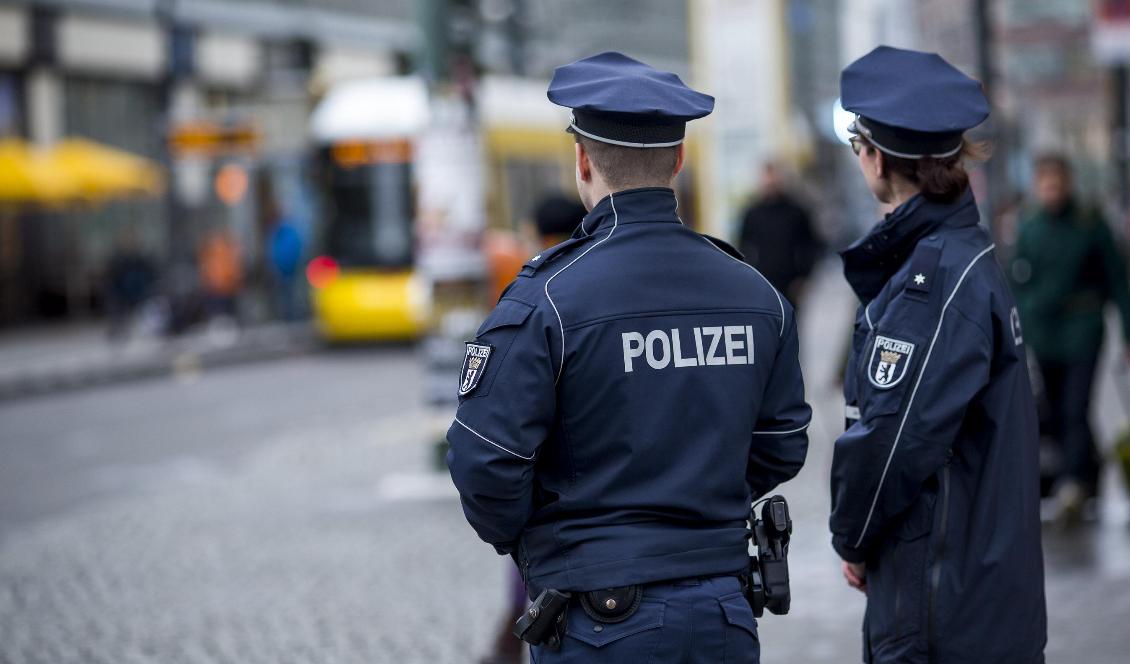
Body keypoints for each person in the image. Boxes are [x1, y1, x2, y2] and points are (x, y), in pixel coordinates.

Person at [446, 52, 810, 664]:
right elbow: (782, 441)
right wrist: (698, 497)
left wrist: (551, 539)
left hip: (599, 618)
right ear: (678, 161)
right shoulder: (755, 294)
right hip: (723, 609)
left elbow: (487, 460)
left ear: (583, 162)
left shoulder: (548, 299)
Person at [829, 46, 1046, 664]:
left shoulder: (934, 281)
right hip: (983, 594)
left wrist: (852, 535)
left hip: (942, 602)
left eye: (856, 144)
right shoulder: (966, 254)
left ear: (875, 156)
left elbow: (891, 442)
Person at [478, 192, 588, 664]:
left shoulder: (534, 295)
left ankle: (507, 646)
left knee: (527, 583)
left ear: (542, 236)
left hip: (549, 501)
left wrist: (511, 527)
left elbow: (488, 445)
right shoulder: (601, 283)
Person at [1011, 154, 1130, 520]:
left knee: (1076, 406)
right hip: (1044, 335)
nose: (1052, 191)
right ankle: (1086, 473)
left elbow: (1117, 280)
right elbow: (1018, 281)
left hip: (1082, 329)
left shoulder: (1089, 223)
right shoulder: (1029, 226)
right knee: (1056, 410)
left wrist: (1127, 334)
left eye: (1057, 183)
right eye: (1045, 184)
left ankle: (1074, 483)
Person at [737, 162, 824, 306]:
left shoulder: (796, 212)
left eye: (774, 178)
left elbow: (811, 246)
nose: (770, 182)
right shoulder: (752, 213)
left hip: (791, 283)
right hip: (763, 281)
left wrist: (804, 277)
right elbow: (742, 247)